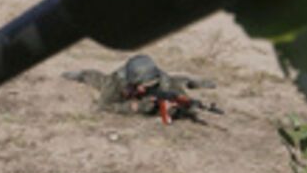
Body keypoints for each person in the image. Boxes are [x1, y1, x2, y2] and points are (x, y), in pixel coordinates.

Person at [64, 53, 220, 124]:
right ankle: (80, 74)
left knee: (178, 81)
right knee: (98, 79)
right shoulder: (117, 81)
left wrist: (178, 109)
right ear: (134, 83)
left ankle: (193, 81)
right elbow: (104, 107)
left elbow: (179, 99)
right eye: (146, 86)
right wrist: (137, 107)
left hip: (163, 84)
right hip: (123, 85)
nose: (150, 88)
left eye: (153, 85)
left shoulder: (162, 81)